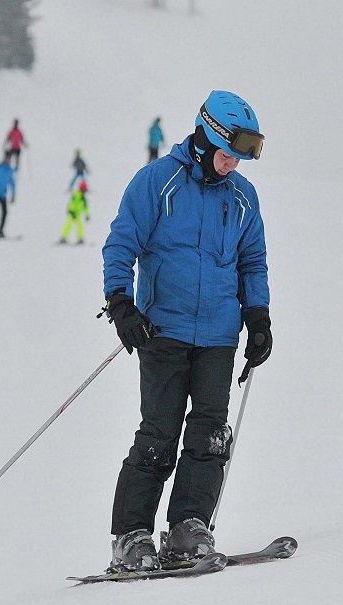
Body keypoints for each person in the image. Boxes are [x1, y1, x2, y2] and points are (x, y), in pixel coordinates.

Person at [102, 90, 270, 572]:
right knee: (158, 434)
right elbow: (121, 243)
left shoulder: (243, 196)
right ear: (206, 135)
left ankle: (187, 528)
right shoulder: (158, 181)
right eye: (226, 155)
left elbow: (252, 261)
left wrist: (258, 318)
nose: (233, 166)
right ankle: (131, 537)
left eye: (240, 160)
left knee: (210, 436)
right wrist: (121, 303)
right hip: (163, 331)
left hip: (219, 335)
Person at [59, 180, 90, 245]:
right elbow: (72, 203)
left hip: (77, 214)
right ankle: (63, 237)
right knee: (68, 225)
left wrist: (87, 215)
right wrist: (71, 210)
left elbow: (85, 207)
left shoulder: (83, 197)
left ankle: (80, 238)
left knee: (80, 226)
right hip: (72, 213)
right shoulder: (77, 194)